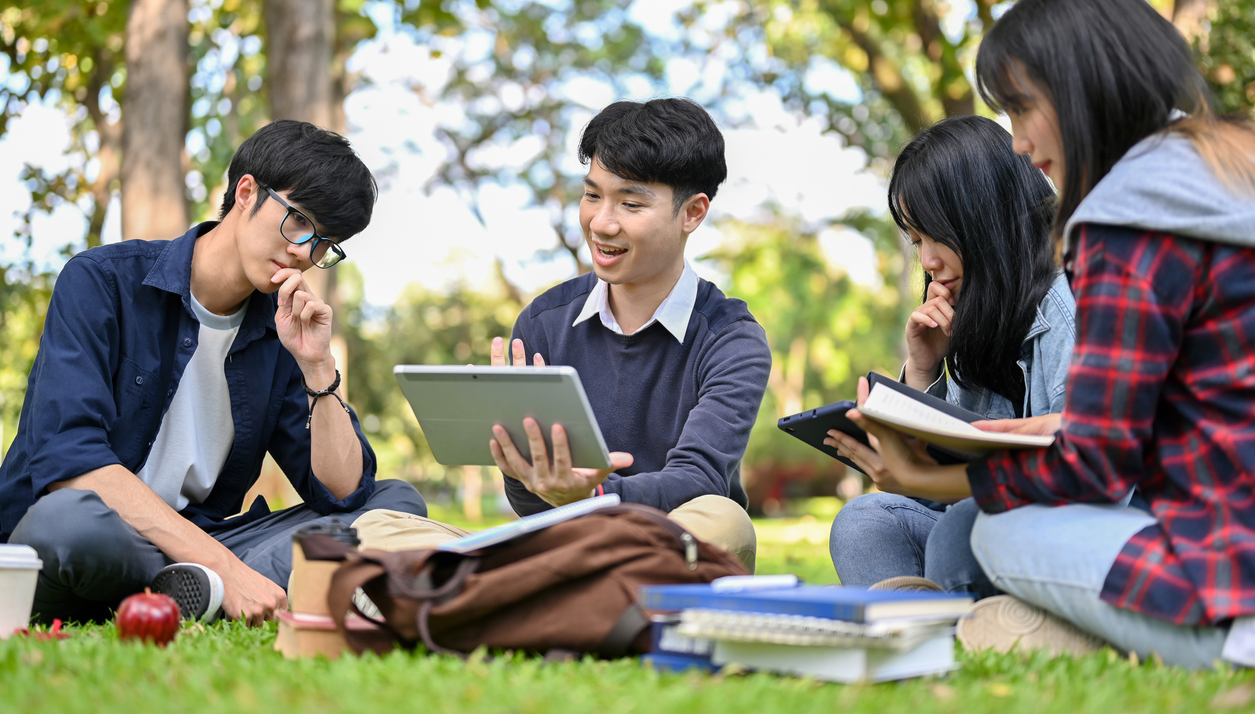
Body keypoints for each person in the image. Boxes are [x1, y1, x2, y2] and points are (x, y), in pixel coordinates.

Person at [827, 0, 1255, 668]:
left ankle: (1121, 636)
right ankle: (973, 621)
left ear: (1083, 88)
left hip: (1220, 561)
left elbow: (1098, 462)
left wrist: (927, 480)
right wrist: (930, 385)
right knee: (879, 520)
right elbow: (1128, 417)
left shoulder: (1126, 216)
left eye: (1021, 109)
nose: (1019, 143)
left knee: (991, 530)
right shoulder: (1219, 165)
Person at [0, 120, 428, 626]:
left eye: (324, 244)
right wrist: (225, 564)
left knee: (393, 502)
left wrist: (317, 366)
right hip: (94, 529)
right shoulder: (101, 281)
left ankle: (192, 590)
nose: (303, 252)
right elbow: (69, 461)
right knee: (68, 523)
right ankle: (218, 583)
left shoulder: (279, 329)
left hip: (200, 539)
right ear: (247, 192)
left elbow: (341, 493)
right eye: (298, 222)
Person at [354, 98, 772, 569]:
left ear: (693, 213)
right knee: (375, 527)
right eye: (592, 195)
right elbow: (530, 507)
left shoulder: (732, 339)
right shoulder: (543, 322)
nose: (601, 222)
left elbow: (698, 480)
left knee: (723, 521)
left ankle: (502, 592)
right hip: (557, 547)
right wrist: (523, 467)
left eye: (631, 203)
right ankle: (562, 595)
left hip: (661, 545)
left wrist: (591, 493)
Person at [827, 115, 1074, 597]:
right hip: (992, 528)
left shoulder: (1068, 306)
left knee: (961, 534)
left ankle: (967, 628)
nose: (928, 262)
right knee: (863, 521)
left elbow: (1094, 478)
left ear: (985, 217)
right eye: (916, 241)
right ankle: (927, 629)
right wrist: (923, 368)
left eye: (935, 235)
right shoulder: (975, 318)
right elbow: (932, 492)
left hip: (1074, 528)